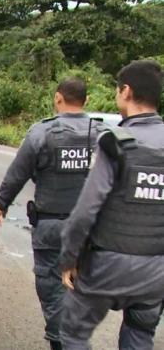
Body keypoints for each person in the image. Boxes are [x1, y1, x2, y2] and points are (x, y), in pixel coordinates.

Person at [59, 60, 164, 349]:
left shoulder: (116, 143)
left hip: (106, 267)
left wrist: (69, 259)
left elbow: (84, 213)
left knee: (74, 334)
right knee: (141, 334)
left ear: (126, 91)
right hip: (156, 272)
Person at [0, 78, 104, 350]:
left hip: (52, 227)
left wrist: (2, 203)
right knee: (85, 288)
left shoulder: (41, 133)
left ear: (57, 98)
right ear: (87, 101)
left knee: (53, 290)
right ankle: (77, 337)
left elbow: (17, 173)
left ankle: (63, 342)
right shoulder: (104, 134)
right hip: (93, 228)